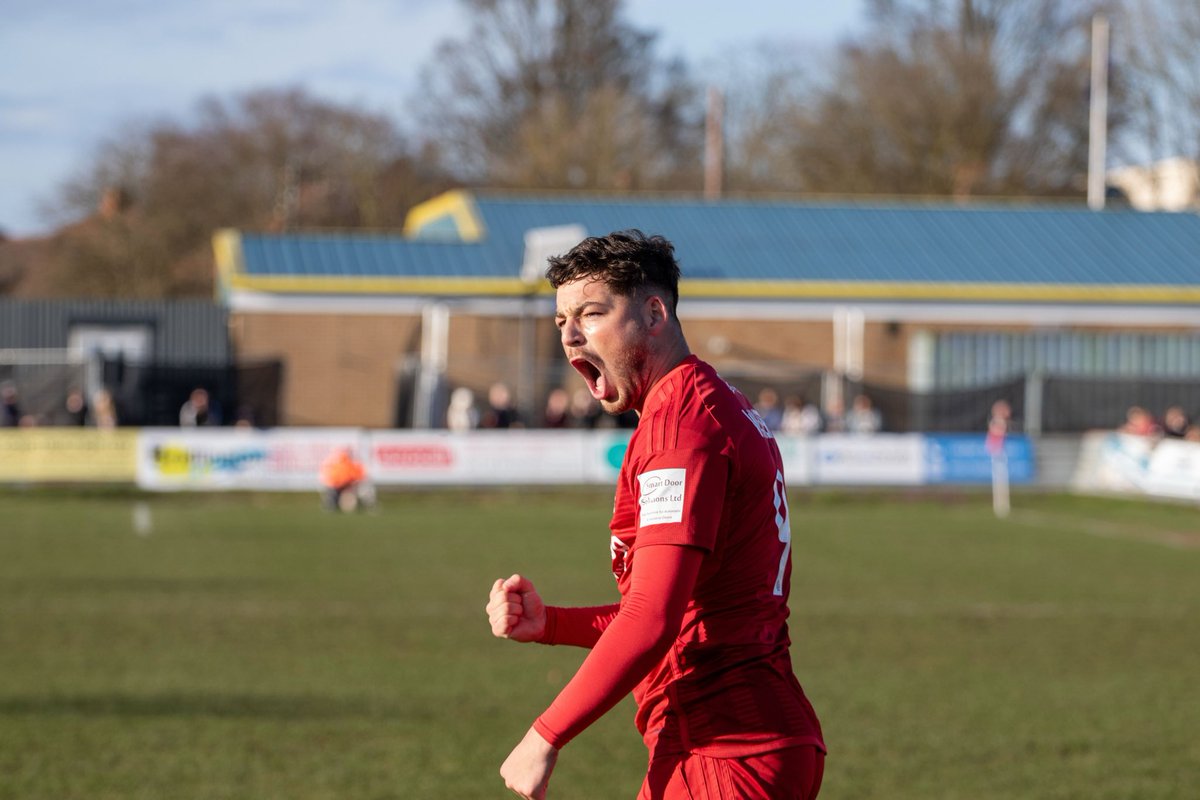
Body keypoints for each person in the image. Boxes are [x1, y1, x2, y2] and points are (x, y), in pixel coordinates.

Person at [485, 230, 824, 800]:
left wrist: (544, 736)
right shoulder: (705, 402)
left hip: (724, 750)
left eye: (591, 313)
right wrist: (553, 625)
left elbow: (652, 618)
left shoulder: (680, 430)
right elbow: (680, 608)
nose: (570, 335)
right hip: (735, 743)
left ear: (654, 312)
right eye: (561, 320)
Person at [318, 446, 373, 512]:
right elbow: (331, 479)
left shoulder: (354, 464)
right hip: (338, 486)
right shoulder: (337, 465)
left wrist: (351, 484)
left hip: (350, 485)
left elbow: (360, 477)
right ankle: (330, 505)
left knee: (364, 488)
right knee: (329, 490)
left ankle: (368, 506)